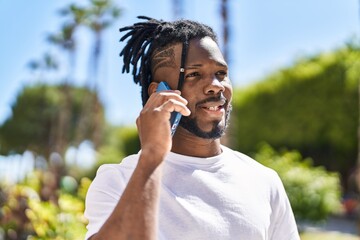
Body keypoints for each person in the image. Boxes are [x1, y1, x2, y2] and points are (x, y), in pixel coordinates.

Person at [84, 16, 300, 240]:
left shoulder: (264, 180)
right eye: (194, 74)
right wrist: (152, 156)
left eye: (221, 74)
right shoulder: (118, 181)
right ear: (158, 93)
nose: (216, 86)